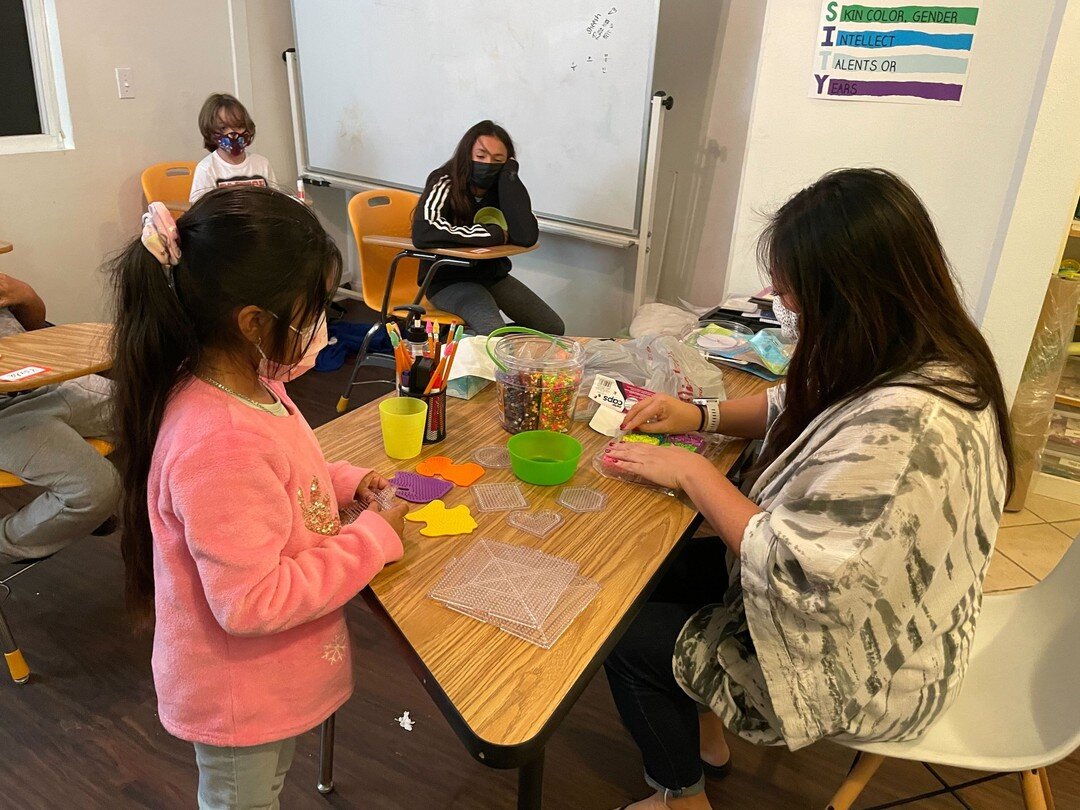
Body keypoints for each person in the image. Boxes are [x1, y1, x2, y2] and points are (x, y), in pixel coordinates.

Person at [601, 168, 1014, 809]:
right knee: (676, 567)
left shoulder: (911, 427)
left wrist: (693, 470)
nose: (778, 301)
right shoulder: (926, 351)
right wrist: (702, 416)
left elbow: (798, 572)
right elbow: (801, 399)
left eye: (792, 292)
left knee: (626, 637)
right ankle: (706, 738)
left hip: (874, 670)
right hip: (909, 616)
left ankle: (681, 798)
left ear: (850, 293)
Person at [109, 188, 407, 808]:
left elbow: (285, 469)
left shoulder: (248, 383)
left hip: (266, 679)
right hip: (238, 693)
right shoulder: (216, 439)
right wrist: (372, 537)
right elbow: (252, 602)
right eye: (313, 308)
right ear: (251, 322)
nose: (323, 324)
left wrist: (345, 483)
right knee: (244, 798)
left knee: (264, 785)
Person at [0, 272, 118, 563]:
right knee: (97, 490)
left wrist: (25, 295)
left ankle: (75, 518)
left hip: (49, 381)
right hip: (6, 417)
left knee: (154, 412)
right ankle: (9, 542)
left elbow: (37, 327)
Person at [412, 120, 564, 335]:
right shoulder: (444, 180)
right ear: (467, 154)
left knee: (550, 327)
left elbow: (526, 236)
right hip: (447, 280)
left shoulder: (503, 186)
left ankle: (481, 344)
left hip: (492, 276)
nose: (488, 164)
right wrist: (491, 233)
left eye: (498, 159)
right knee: (492, 331)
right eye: (481, 156)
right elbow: (424, 232)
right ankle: (475, 350)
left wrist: (510, 177)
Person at [189, 93, 277, 203]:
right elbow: (200, 213)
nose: (232, 133)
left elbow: (275, 203)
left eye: (238, 126)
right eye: (223, 128)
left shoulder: (262, 164)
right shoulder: (206, 169)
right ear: (211, 132)